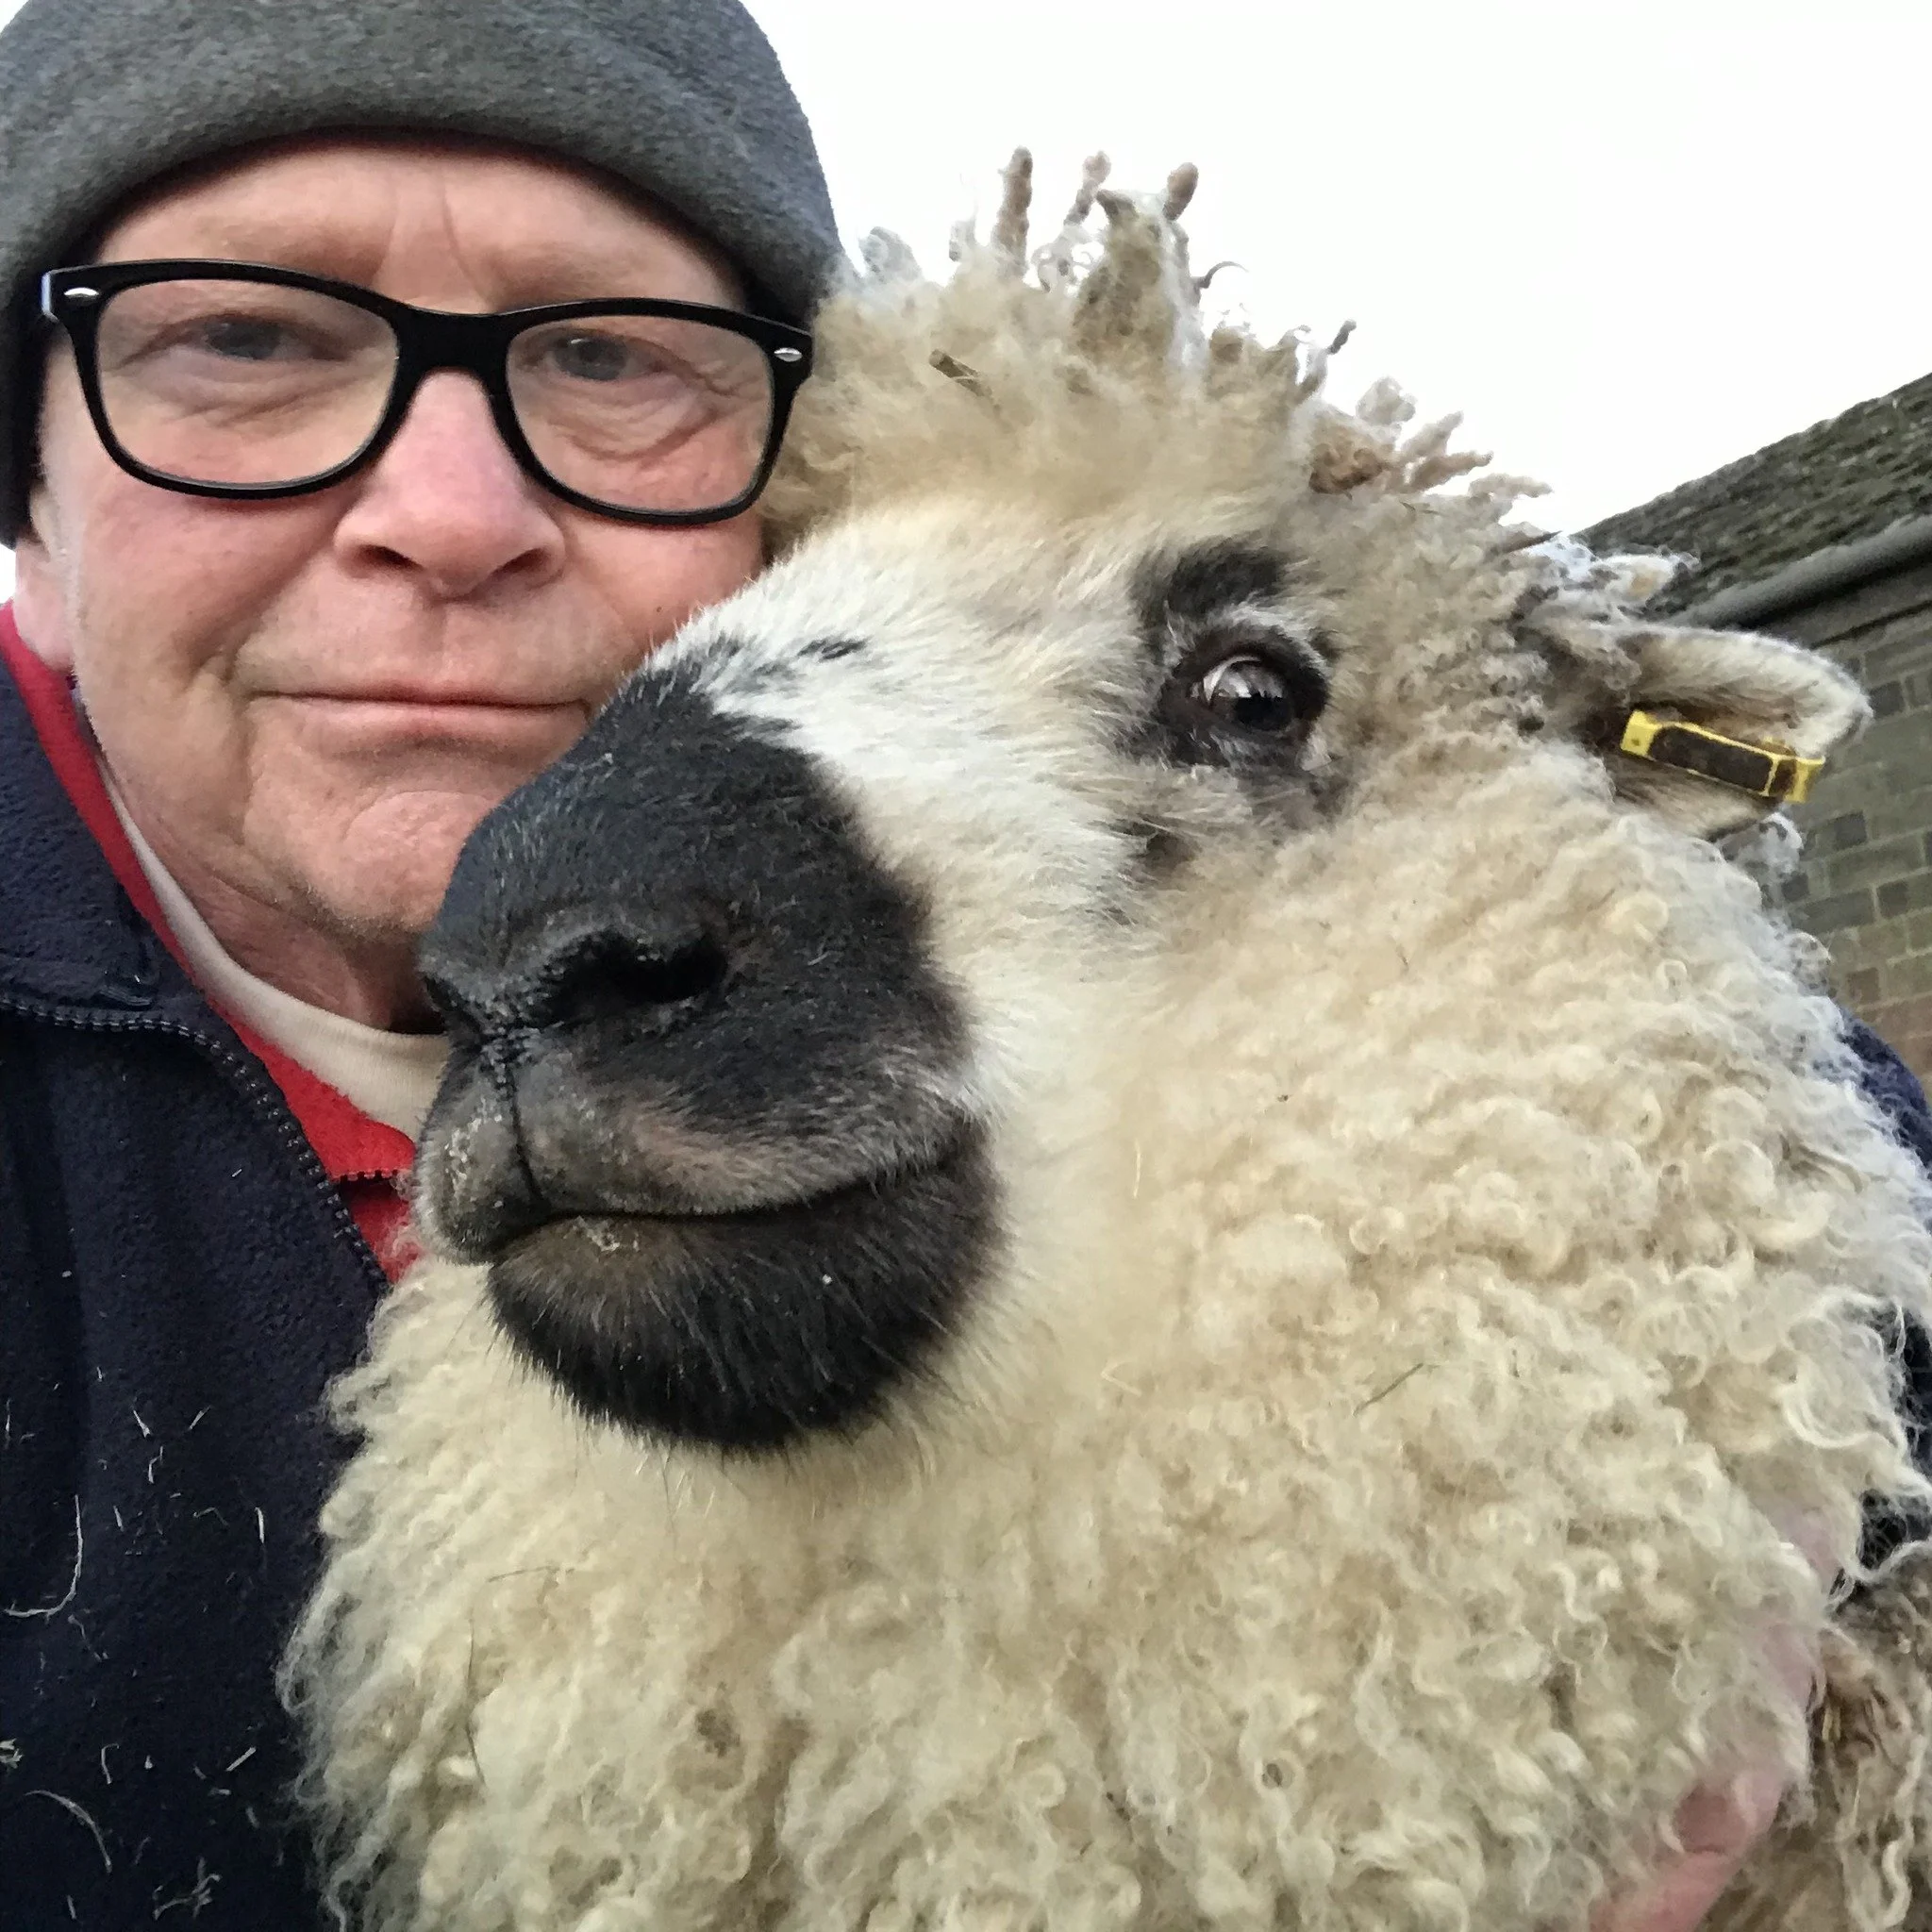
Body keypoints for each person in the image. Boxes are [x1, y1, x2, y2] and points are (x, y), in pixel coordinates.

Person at [0, 2, 1919, 1925]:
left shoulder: (1458, 1005)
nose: (449, 516)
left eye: (607, 358)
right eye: (241, 343)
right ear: (32, 521)